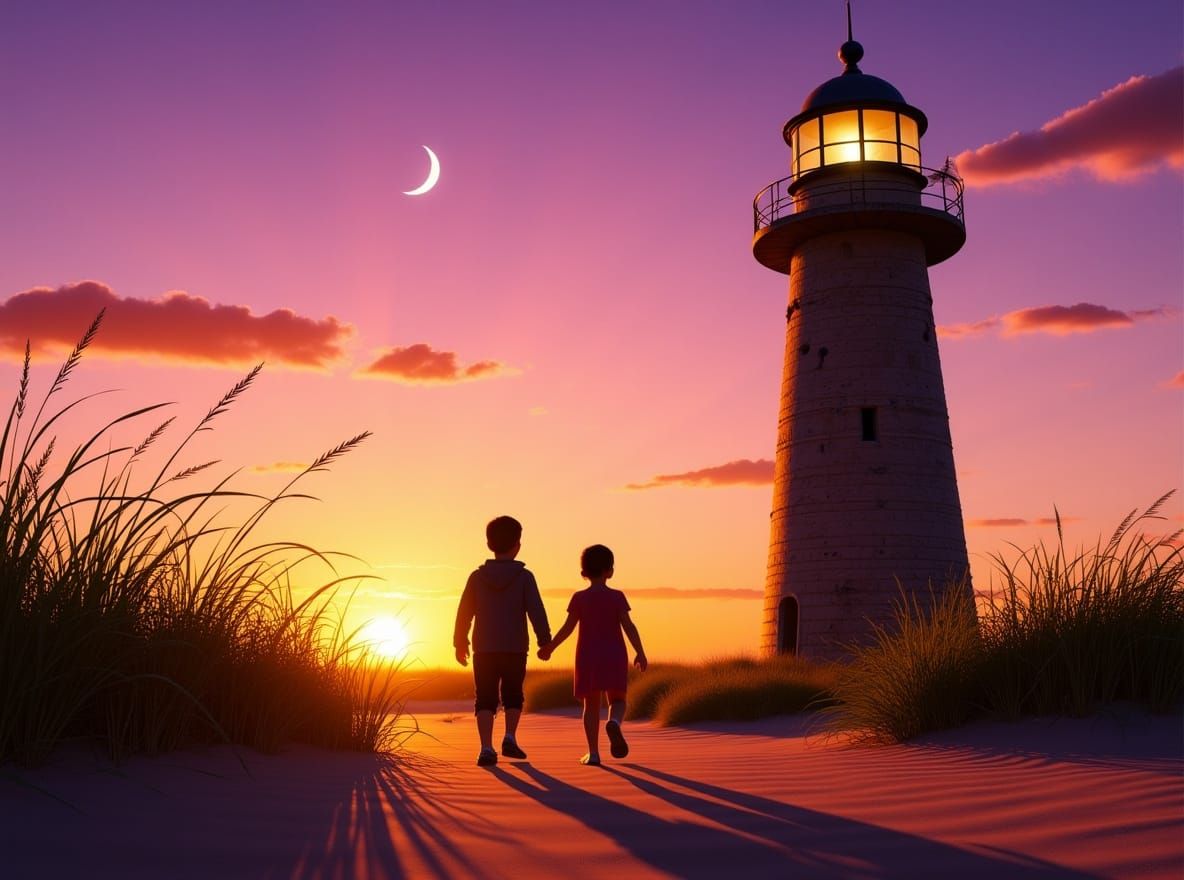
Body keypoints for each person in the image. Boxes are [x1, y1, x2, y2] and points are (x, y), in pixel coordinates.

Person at [453, 515, 552, 767]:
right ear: (518, 544)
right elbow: (536, 610)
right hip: (515, 648)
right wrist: (545, 640)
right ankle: (509, 736)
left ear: (489, 544)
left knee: (484, 697)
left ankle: (486, 748)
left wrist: (459, 641)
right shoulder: (524, 577)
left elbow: (464, 611)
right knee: (513, 695)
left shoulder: (477, 578)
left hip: (484, 648)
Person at [538, 544, 647, 765]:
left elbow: (568, 628)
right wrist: (640, 652)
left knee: (591, 705)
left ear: (583, 573)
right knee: (618, 699)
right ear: (610, 571)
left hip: (588, 656)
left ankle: (594, 753)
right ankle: (614, 722)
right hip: (614, 654)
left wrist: (550, 647)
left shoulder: (579, 598)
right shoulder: (617, 597)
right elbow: (629, 626)